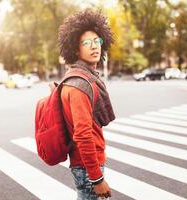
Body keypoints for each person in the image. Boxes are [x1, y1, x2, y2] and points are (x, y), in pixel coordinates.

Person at [58, 9, 116, 200]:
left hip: (86, 165)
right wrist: (97, 179)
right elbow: (83, 135)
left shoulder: (82, 78)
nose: (94, 46)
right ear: (76, 48)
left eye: (97, 41)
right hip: (87, 167)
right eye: (86, 42)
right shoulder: (80, 85)